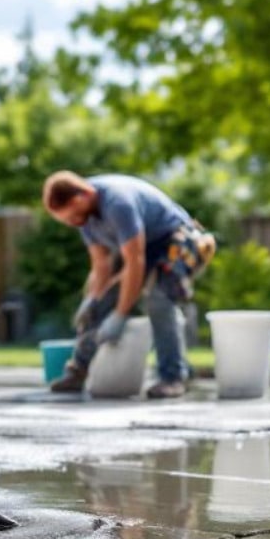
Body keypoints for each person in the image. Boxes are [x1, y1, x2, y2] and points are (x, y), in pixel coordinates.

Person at [41, 171, 214, 399]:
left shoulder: (117, 203)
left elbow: (135, 262)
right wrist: (92, 301)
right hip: (144, 250)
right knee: (100, 305)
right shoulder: (86, 218)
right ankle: (77, 371)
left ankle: (173, 378)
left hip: (177, 241)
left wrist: (120, 315)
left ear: (81, 196)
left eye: (72, 217)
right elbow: (101, 266)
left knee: (158, 299)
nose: (73, 223)